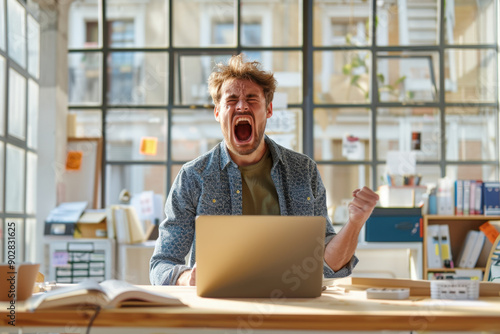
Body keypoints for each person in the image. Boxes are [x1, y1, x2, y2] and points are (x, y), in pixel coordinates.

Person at [150, 54, 379, 286]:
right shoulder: (193, 177)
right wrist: (187, 277)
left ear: (268, 109)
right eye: (231, 100)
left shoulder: (303, 170)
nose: (242, 106)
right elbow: (162, 263)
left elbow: (328, 265)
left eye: (252, 99)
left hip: (292, 307)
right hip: (219, 308)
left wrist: (355, 223)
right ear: (217, 112)